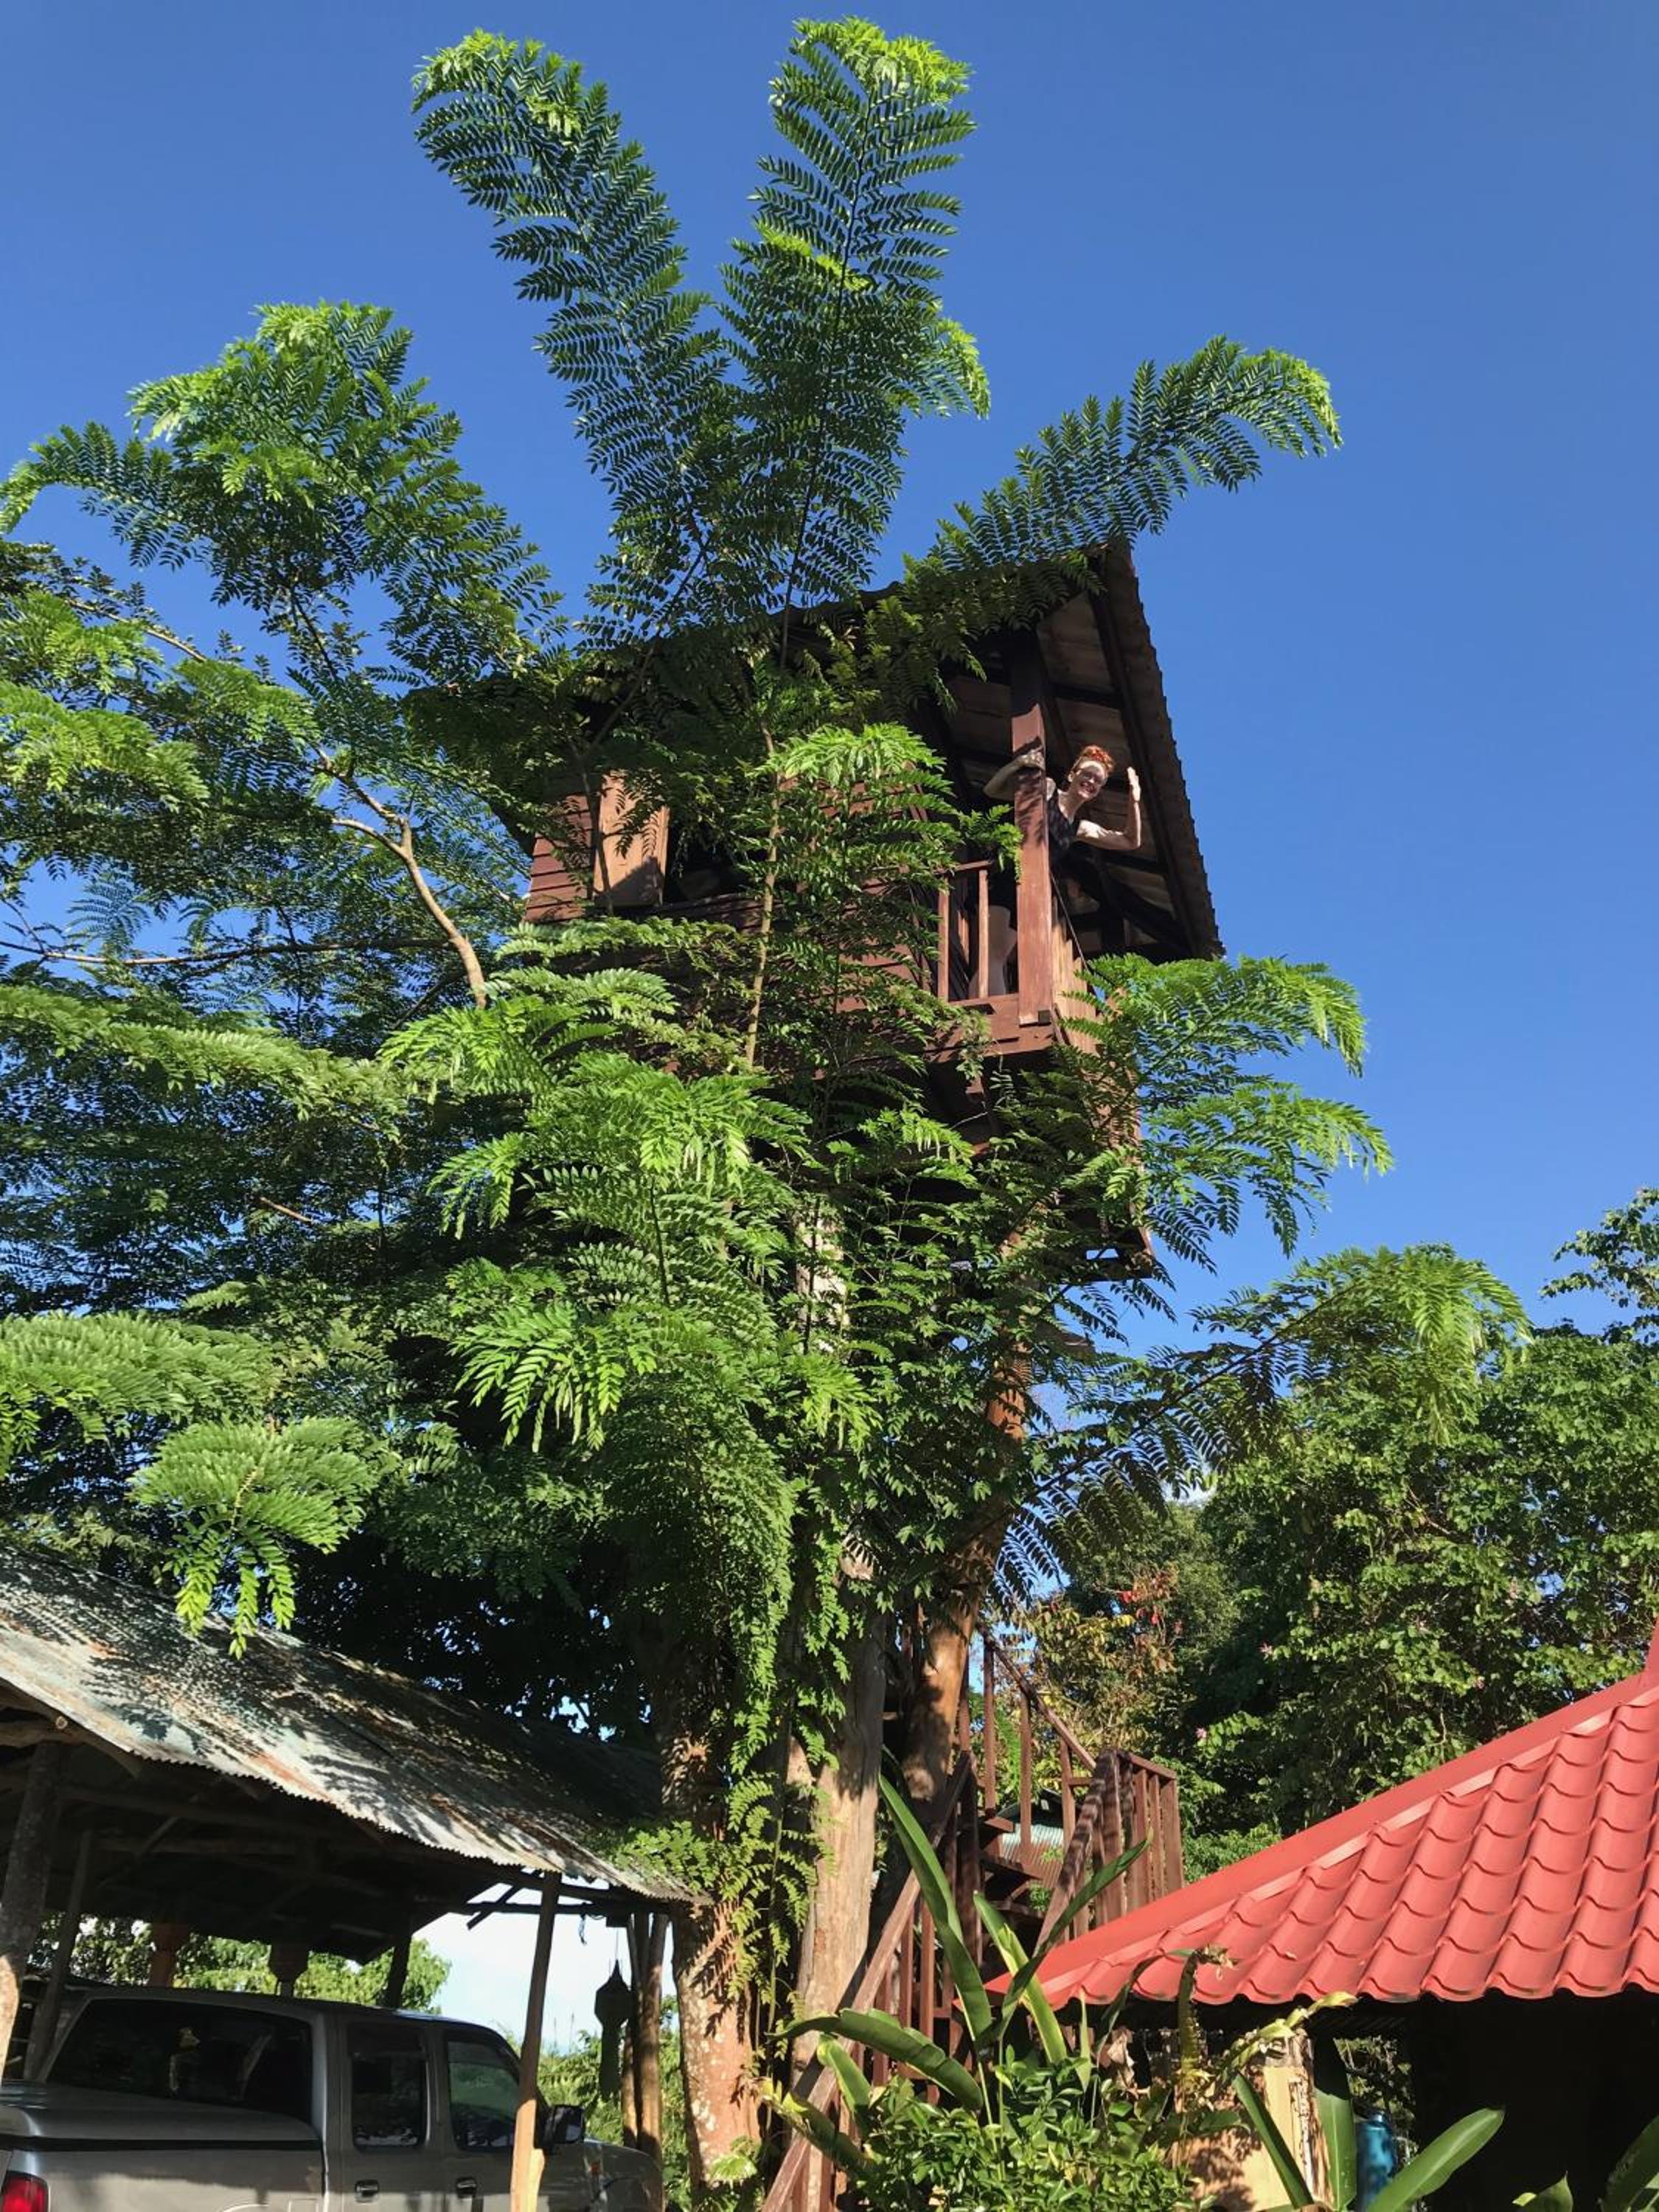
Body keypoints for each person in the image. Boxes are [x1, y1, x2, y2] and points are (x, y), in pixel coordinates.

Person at [977, 742, 1143, 992]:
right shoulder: (1049, 789)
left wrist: (1134, 800)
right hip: (1006, 871)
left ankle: (982, 1019)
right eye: (1087, 774)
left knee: (998, 956)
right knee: (994, 955)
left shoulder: (1080, 827)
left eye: (1098, 780)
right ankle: (983, 1020)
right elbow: (993, 790)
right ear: (1072, 775)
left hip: (1028, 888)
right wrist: (1017, 765)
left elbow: (1131, 841)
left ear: (1099, 790)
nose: (1091, 781)